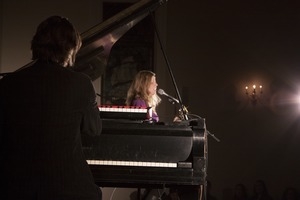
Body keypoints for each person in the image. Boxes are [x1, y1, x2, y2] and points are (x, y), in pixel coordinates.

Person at [0, 16, 102, 200]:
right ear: (70, 49)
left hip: (16, 188)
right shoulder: (81, 84)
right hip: (69, 189)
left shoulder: (8, 84)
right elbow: (93, 130)